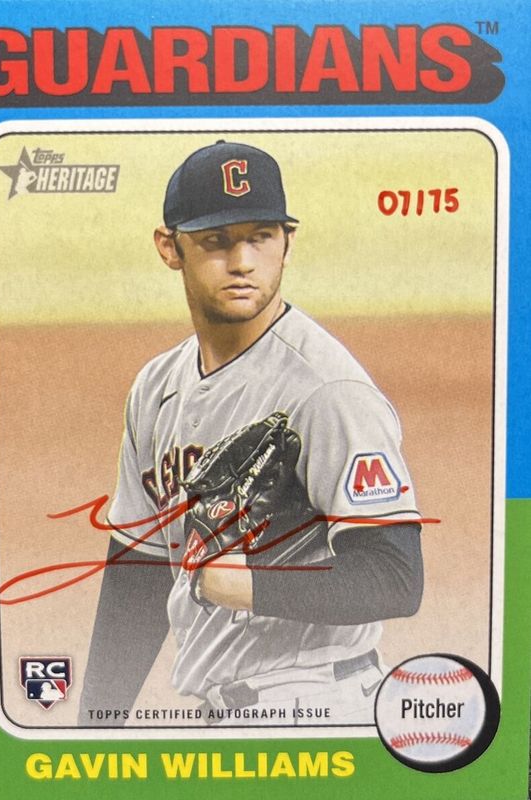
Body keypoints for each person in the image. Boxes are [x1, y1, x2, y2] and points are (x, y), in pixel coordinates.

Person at [78, 140, 423, 727]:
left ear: (288, 242)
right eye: (216, 240)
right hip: (221, 714)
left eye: (260, 236)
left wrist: (246, 584)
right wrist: (95, 728)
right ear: (170, 247)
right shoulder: (157, 386)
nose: (242, 261)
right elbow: (139, 570)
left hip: (321, 704)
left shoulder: (327, 391)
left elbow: (395, 577)